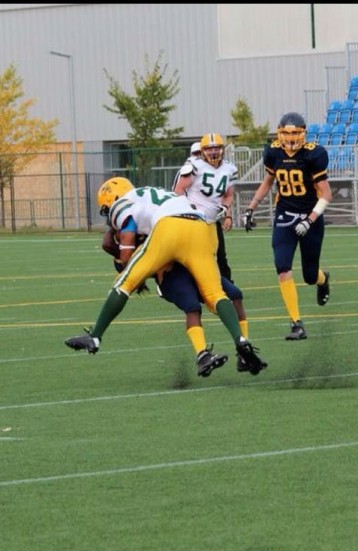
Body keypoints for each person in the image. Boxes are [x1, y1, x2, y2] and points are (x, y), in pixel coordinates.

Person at [65, 179, 267, 376]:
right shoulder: (158, 195)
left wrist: (125, 263)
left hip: (170, 229)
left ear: (114, 199)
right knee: (215, 294)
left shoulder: (123, 204)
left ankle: (95, 337)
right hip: (203, 228)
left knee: (124, 283)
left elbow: (126, 245)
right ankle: (241, 341)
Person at [102, 222, 252, 376]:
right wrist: (115, 224)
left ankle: (244, 351)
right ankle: (202, 354)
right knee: (192, 306)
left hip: (196, 263)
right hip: (171, 275)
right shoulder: (130, 241)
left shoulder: (154, 217)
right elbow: (108, 245)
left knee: (235, 295)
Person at [244, 112, 332, 341]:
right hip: (284, 216)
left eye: (295, 133)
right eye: (286, 133)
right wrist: (251, 207)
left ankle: (323, 279)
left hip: (310, 217)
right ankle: (296, 323)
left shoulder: (314, 154)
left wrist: (309, 220)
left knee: (310, 276)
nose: (291, 138)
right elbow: (267, 182)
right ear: (279, 133)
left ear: (303, 133)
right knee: (282, 267)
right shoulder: (273, 152)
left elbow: (326, 194)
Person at [173, 133, 236, 281]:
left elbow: (229, 195)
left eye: (216, 148)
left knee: (221, 257)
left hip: (213, 221)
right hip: (194, 221)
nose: (213, 152)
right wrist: (188, 210)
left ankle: (228, 287)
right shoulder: (195, 165)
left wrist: (226, 210)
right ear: (202, 151)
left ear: (222, 149)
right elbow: (179, 189)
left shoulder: (230, 169)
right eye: (209, 149)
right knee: (193, 257)